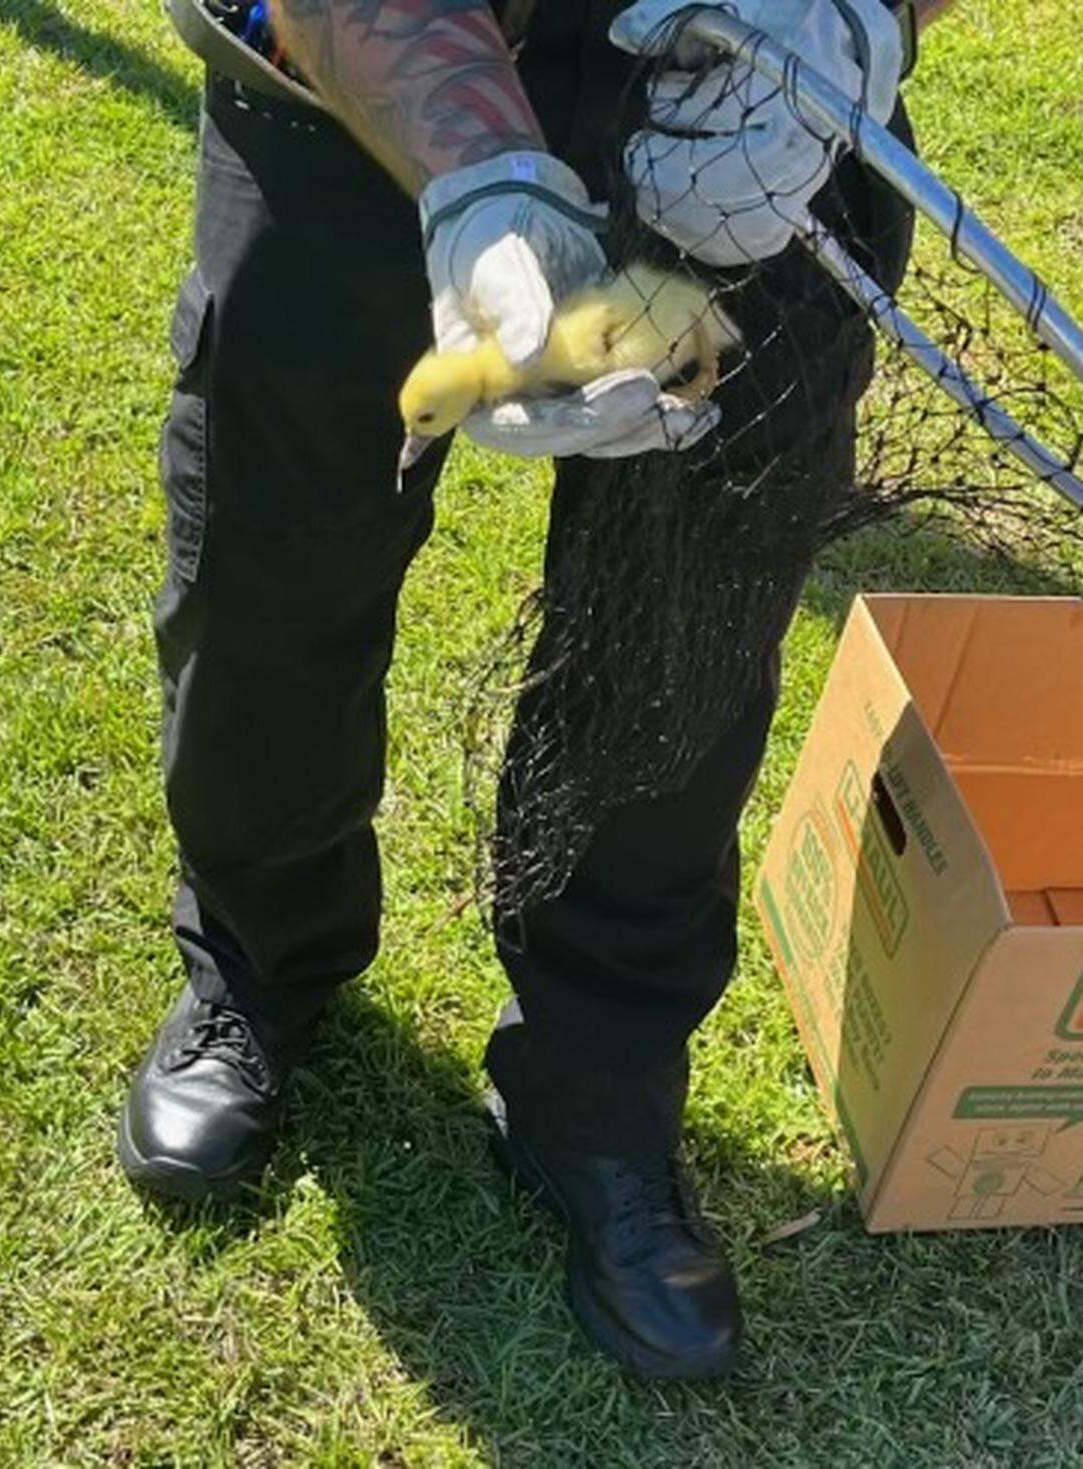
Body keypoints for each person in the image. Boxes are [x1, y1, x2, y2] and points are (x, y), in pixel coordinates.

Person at [118, 0, 950, 1380]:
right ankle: (255, 962)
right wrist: (484, 180)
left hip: (756, 105)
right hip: (340, 84)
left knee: (681, 638)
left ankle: (600, 1093)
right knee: (270, 569)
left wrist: (860, 20)